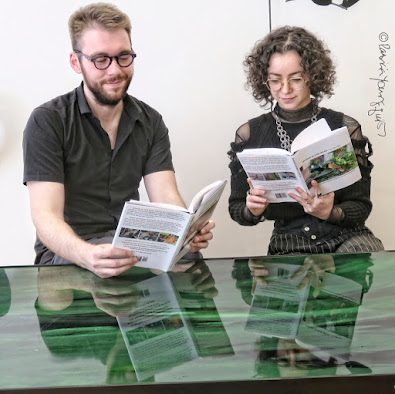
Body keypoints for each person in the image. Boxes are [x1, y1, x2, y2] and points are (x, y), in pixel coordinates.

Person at [23, 3, 214, 278]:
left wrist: (184, 230)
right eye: (101, 59)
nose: (115, 70)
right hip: (69, 252)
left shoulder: (150, 121)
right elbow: (45, 218)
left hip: (130, 245)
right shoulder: (48, 121)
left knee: (193, 263)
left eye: (123, 57)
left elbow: (166, 197)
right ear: (76, 62)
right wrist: (88, 255)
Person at [228, 26, 383, 255]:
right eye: (275, 81)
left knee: (368, 269)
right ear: (264, 81)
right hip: (290, 244)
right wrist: (252, 209)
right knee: (302, 288)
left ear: (312, 75)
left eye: (296, 79)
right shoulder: (250, 133)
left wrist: (330, 212)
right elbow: (237, 208)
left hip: (346, 238)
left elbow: (361, 206)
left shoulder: (343, 127)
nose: (285, 89)